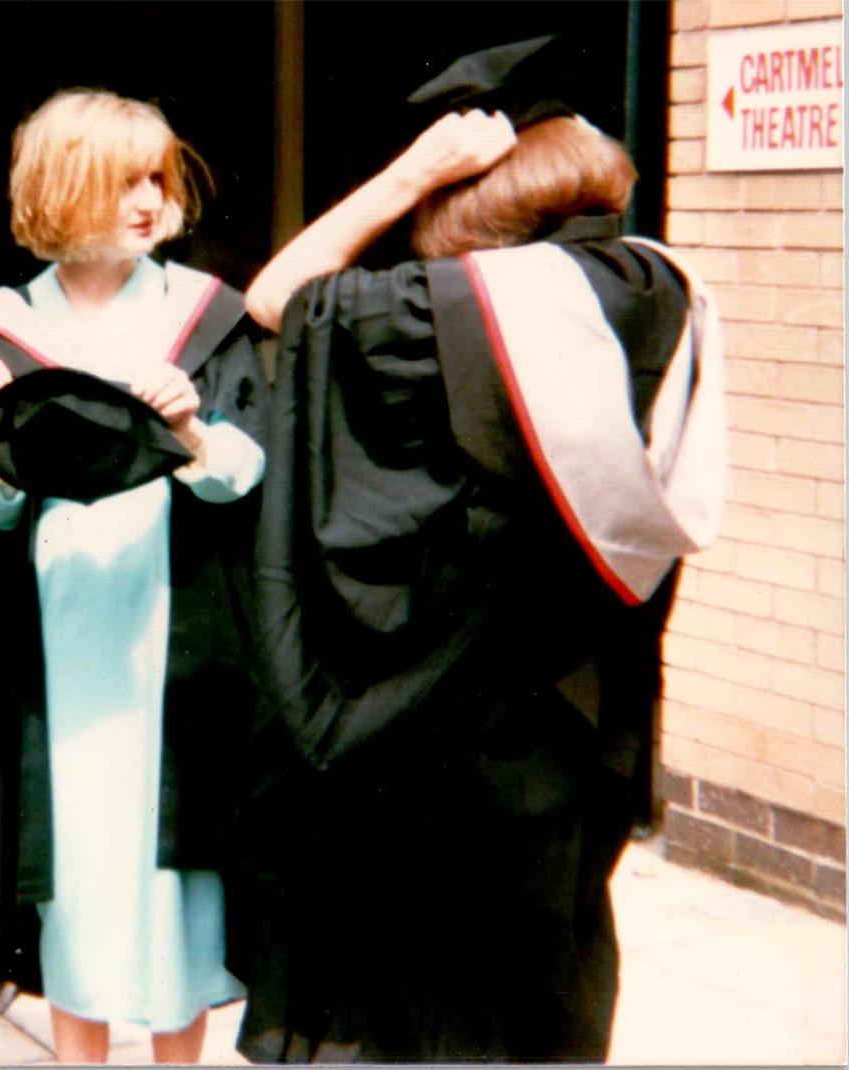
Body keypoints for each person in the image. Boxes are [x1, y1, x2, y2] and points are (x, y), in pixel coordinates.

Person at [227, 36, 727, 1063]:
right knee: (545, 979)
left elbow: (278, 298)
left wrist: (409, 173)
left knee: (431, 997)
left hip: (434, 728)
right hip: (573, 715)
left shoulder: (447, 310)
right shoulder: (666, 295)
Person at [0, 88, 268, 1064]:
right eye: (124, 181)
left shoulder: (206, 317)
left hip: (176, 634)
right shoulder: (4, 329)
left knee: (171, 885)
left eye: (158, 177)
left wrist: (193, 429)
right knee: (70, 872)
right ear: (63, 192)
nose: (151, 199)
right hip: (53, 654)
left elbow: (249, 478)